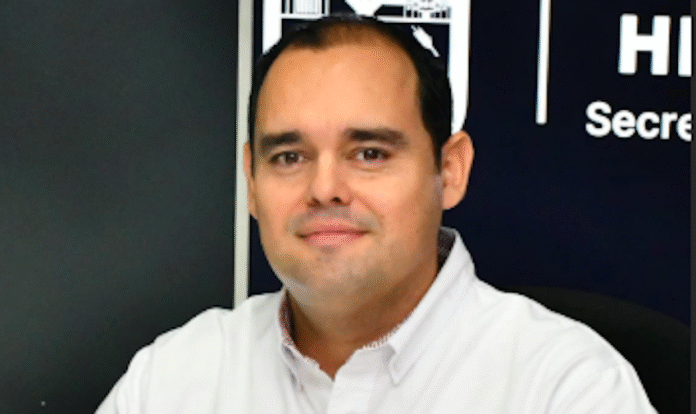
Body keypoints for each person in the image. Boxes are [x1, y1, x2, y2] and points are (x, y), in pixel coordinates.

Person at [96, 14, 656, 413]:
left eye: (369, 153)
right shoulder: (173, 379)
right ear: (252, 181)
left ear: (450, 170)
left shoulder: (565, 388)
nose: (324, 188)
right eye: (289, 156)